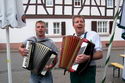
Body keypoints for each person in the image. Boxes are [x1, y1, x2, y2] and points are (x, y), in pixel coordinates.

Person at [70, 15, 103, 83]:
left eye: (81, 21)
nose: (79, 23)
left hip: (88, 70)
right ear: (73, 25)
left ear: (84, 24)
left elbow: (100, 54)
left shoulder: (93, 35)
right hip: (73, 70)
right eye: (77, 22)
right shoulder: (71, 38)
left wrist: (88, 57)